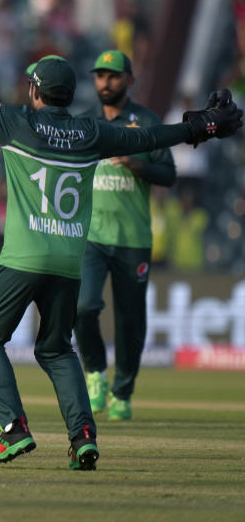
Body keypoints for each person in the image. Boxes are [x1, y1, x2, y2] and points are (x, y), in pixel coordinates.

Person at [0, 37, 241, 470]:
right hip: (69, 264)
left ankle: (13, 429)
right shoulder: (92, 133)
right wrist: (205, 125)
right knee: (57, 350)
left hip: (22, 259)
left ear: (35, 91)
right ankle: (83, 438)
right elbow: (152, 136)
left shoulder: (16, 123)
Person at [74, 50, 175, 422]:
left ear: (129, 80)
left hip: (133, 238)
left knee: (130, 320)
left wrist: (137, 163)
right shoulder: (85, 123)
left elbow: (169, 174)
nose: (105, 82)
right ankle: (96, 373)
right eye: (100, 75)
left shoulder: (146, 122)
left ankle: (123, 391)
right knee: (82, 307)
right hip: (91, 236)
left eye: (113, 76)